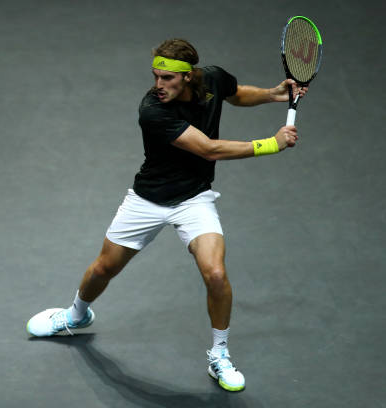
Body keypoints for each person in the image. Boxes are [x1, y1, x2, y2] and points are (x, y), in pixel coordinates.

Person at [26, 38, 307, 392]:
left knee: (216, 273)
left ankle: (219, 354)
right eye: (155, 76)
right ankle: (75, 315)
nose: (158, 85)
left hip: (194, 200)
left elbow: (236, 94)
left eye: (167, 79)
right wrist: (271, 143)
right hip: (148, 200)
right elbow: (208, 149)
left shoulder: (213, 80)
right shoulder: (152, 110)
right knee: (103, 268)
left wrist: (273, 94)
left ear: (189, 77)